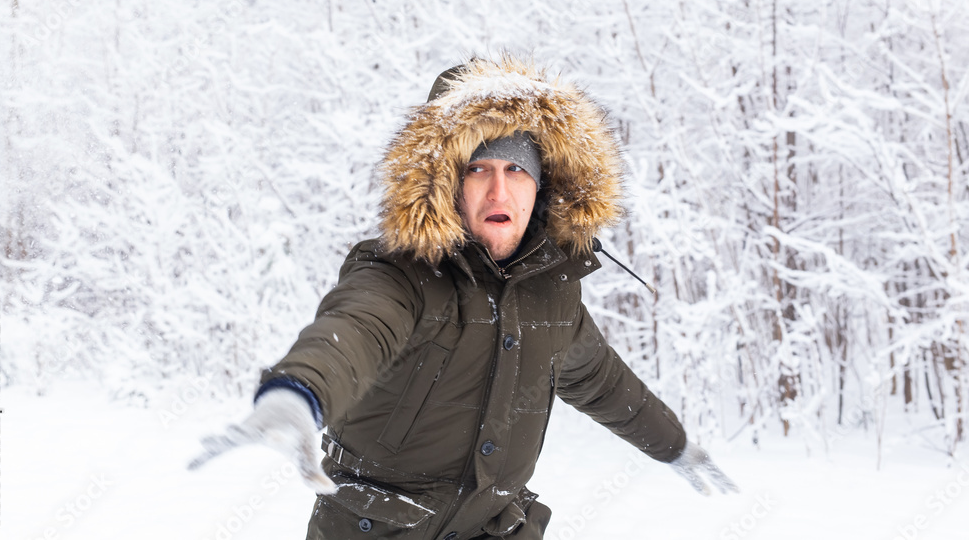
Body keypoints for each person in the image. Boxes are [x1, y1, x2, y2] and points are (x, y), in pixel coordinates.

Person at [190, 56, 738, 539]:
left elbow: (604, 383)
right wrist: (297, 393)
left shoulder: (554, 298)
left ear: (543, 187)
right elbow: (355, 330)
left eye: (516, 170)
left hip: (495, 528)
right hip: (377, 529)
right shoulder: (400, 273)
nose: (499, 191)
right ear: (446, 183)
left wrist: (675, 444)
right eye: (478, 169)